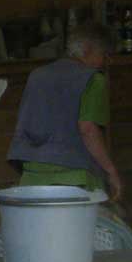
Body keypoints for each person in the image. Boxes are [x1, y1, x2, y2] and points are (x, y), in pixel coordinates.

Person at [8, 22, 122, 201]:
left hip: (32, 174)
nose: (108, 61)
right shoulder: (93, 79)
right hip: (74, 177)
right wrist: (111, 170)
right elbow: (87, 129)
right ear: (87, 50)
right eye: (105, 54)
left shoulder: (37, 75)